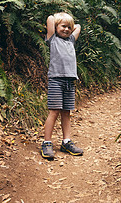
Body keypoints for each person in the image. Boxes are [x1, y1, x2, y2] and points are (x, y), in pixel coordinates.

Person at [41, 12, 84, 160]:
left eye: (68, 27)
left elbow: (78, 26)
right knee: (54, 111)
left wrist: (70, 25)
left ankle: (66, 142)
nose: (66, 29)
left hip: (69, 81)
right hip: (56, 80)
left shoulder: (71, 40)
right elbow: (50, 19)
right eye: (63, 26)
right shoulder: (52, 39)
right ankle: (47, 143)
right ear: (56, 27)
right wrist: (59, 18)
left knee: (66, 112)